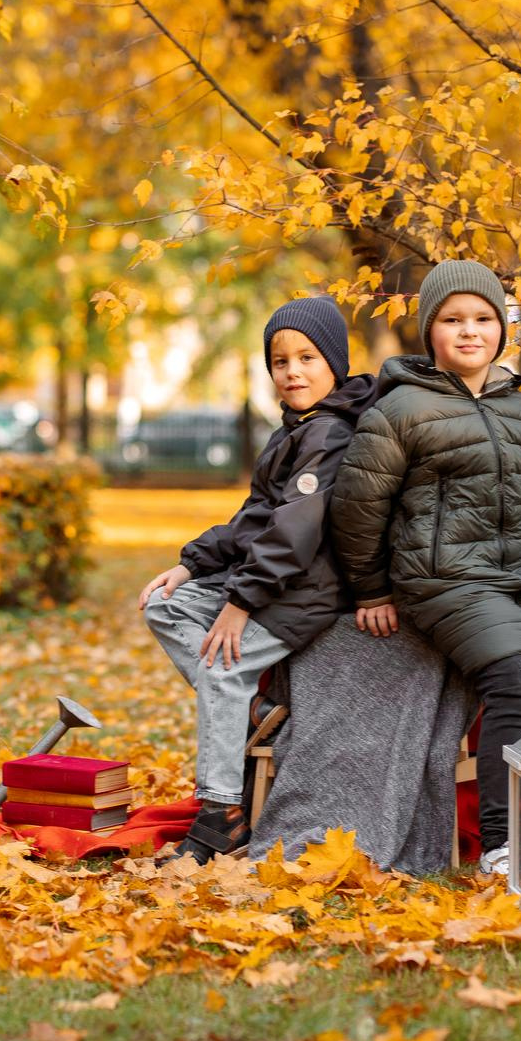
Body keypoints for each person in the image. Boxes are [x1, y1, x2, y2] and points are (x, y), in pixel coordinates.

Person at [329, 260, 521, 877]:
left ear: (502, 328)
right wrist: (369, 589)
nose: (469, 332)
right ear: (430, 331)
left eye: (483, 319)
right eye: (452, 320)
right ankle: (502, 843)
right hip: (447, 582)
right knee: (515, 680)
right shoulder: (400, 411)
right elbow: (357, 507)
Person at [139, 298, 376, 863]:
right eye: (280, 361)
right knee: (164, 605)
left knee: (222, 668)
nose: (292, 371)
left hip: (304, 592)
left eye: (307, 358)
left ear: (335, 363)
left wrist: (240, 603)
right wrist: (193, 563)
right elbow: (254, 518)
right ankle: (250, 709)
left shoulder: (332, 435)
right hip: (272, 581)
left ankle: (221, 813)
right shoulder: (294, 430)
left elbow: (293, 531)